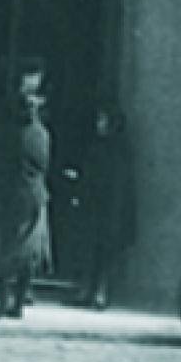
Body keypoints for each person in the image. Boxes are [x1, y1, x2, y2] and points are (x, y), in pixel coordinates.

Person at [0, 89, 51, 320]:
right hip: (36, 196)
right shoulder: (41, 134)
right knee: (28, 254)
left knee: (5, 249)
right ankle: (19, 302)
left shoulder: (9, 134)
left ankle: (3, 302)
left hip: (12, 196)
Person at [66, 104, 136, 311]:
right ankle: (88, 291)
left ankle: (99, 293)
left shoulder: (118, 151)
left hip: (109, 210)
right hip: (96, 209)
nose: (99, 124)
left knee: (106, 256)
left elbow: (116, 184)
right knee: (91, 252)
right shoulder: (100, 148)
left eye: (102, 120)